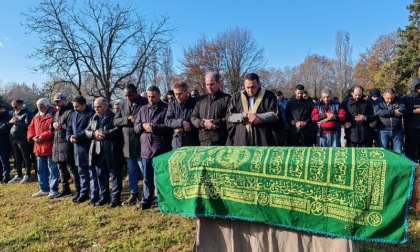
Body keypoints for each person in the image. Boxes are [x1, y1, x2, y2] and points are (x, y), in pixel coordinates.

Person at [134, 86, 171, 210]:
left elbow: (168, 126)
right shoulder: (143, 109)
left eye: (153, 96)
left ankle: (162, 200)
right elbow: (136, 126)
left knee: (161, 177)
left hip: (161, 148)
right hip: (145, 148)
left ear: (159, 95)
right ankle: (146, 200)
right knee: (147, 178)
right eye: (149, 96)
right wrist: (143, 126)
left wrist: (153, 127)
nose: (150, 99)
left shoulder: (166, 108)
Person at [113, 84, 148, 206]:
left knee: (145, 170)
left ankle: (148, 194)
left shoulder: (144, 102)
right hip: (127, 143)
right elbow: (115, 121)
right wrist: (127, 119)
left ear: (136, 93)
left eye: (130, 95)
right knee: (132, 170)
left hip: (141, 142)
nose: (128, 97)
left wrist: (137, 121)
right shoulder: (122, 104)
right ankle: (133, 194)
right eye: (126, 95)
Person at [226, 73, 283, 146]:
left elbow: (275, 114)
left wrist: (256, 117)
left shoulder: (270, 95)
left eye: (253, 87)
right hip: (242, 138)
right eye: (247, 87)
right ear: (244, 85)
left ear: (259, 84)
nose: (250, 90)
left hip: (263, 137)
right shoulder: (236, 96)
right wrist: (244, 117)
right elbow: (229, 115)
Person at [85, 97, 123, 207]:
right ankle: (104, 197)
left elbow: (118, 129)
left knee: (114, 174)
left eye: (99, 106)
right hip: (97, 150)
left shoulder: (114, 115)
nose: (96, 109)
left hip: (111, 150)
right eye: (95, 107)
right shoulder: (94, 117)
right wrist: (93, 134)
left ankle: (115, 198)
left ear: (106, 106)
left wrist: (104, 134)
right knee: (101, 175)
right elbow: (86, 131)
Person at [66, 96, 99, 204]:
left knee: (92, 173)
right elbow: (69, 127)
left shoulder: (91, 114)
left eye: (77, 106)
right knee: (81, 173)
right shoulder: (73, 114)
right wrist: (70, 137)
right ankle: (84, 194)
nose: (75, 108)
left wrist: (77, 136)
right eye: (74, 106)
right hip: (77, 148)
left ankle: (94, 195)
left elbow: (89, 129)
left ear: (84, 105)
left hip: (88, 147)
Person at [28, 98, 59, 198]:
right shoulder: (36, 116)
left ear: (47, 106)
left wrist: (42, 136)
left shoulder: (54, 114)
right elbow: (30, 129)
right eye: (38, 107)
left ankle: (53, 189)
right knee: (41, 170)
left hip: (50, 146)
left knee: (52, 169)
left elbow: (54, 129)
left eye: (41, 107)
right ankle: (43, 188)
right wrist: (33, 137)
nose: (40, 109)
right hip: (38, 146)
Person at [191, 72, 231, 146]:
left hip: (220, 141)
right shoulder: (200, 100)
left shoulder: (227, 99)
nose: (209, 87)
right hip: (203, 142)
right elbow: (193, 117)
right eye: (207, 84)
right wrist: (203, 124)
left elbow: (229, 118)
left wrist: (214, 123)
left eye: (212, 84)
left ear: (218, 83)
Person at [51, 92, 78, 199]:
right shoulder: (57, 113)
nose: (57, 103)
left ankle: (79, 190)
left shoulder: (70, 112)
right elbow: (53, 123)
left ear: (65, 100)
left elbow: (72, 126)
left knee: (72, 169)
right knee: (61, 169)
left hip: (66, 144)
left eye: (59, 101)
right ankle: (65, 189)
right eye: (55, 102)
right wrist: (52, 124)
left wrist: (61, 126)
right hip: (57, 144)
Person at [165, 81, 199, 149]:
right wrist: (182, 122)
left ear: (186, 91)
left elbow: (198, 120)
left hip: (192, 142)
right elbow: (167, 120)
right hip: (177, 142)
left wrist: (184, 127)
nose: (177, 97)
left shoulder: (196, 103)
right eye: (175, 94)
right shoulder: (172, 104)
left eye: (180, 94)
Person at [7, 99, 33, 184]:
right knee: (17, 158)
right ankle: (18, 175)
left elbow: (28, 126)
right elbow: (10, 125)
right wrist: (10, 123)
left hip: (22, 139)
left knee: (25, 157)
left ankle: (28, 175)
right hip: (13, 137)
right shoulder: (14, 113)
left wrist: (17, 122)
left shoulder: (27, 113)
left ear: (21, 104)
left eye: (15, 107)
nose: (14, 109)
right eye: (13, 107)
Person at [374, 88, 407, 154]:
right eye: (388, 98)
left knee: (398, 153)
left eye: (392, 98)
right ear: (383, 95)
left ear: (394, 95)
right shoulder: (378, 101)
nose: (390, 100)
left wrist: (387, 112)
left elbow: (403, 109)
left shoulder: (399, 99)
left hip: (397, 130)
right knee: (383, 152)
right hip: (383, 130)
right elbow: (377, 112)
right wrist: (393, 112)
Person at [404, 78, 420, 162]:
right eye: (417, 88)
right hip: (411, 127)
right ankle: (411, 165)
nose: (419, 90)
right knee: (410, 148)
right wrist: (414, 111)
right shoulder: (406, 98)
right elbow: (403, 111)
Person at [0, 104, 12, 183]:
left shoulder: (7, 116)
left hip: (4, 141)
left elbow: (4, 128)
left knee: (4, 160)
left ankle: (6, 176)